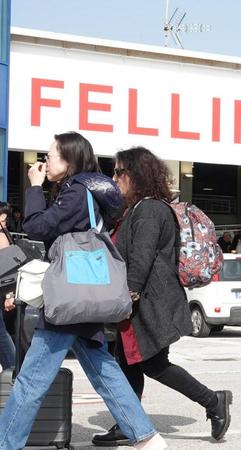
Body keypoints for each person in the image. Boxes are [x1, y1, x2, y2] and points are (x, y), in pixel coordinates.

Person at [0, 132, 167, 450]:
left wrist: (35, 188)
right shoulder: (84, 192)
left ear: (70, 158)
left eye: (51, 155)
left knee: (32, 379)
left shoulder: (77, 191)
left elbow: (37, 227)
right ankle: (147, 437)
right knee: (104, 370)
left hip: (70, 296)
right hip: (83, 293)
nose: (45, 161)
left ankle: (7, 443)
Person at [91, 146, 233, 446]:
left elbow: (140, 260)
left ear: (136, 175)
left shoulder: (149, 210)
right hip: (144, 302)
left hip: (149, 303)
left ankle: (213, 401)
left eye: (119, 172)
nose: (114, 178)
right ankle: (127, 422)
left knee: (151, 364)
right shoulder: (137, 208)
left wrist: (127, 297)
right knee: (128, 363)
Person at [0, 202, 16, 371]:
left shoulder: (2, 237)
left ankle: (13, 371)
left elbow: (8, 269)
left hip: (2, 292)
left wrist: (9, 295)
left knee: (1, 335)